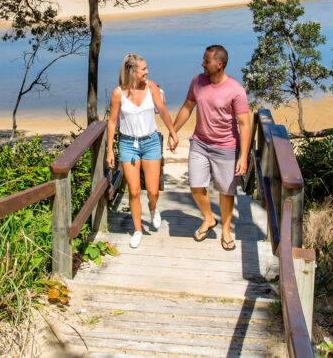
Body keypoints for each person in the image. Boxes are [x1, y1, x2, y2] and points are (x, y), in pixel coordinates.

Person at [172, 44, 251, 251]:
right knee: (196, 186)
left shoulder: (236, 90)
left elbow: (244, 124)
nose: (202, 64)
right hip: (200, 142)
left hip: (226, 146)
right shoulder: (197, 81)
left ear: (219, 64)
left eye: (206, 61)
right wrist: (173, 132)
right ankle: (209, 219)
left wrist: (243, 156)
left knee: (226, 191)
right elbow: (187, 107)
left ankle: (225, 230)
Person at [107, 53, 178, 248]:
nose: (147, 71)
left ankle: (153, 209)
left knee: (153, 190)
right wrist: (109, 150)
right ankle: (138, 229)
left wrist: (172, 133)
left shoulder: (152, 87)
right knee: (135, 191)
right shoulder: (118, 93)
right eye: (144, 69)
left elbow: (162, 111)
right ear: (132, 72)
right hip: (128, 144)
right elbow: (112, 122)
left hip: (151, 142)